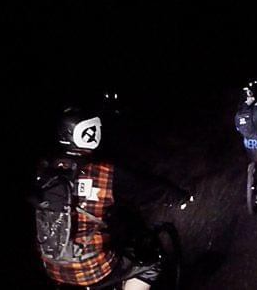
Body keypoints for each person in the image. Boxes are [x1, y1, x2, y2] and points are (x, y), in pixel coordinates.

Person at [32, 107, 192, 290]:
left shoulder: (45, 172)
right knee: (150, 265)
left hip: (52, 268)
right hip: (91, 268)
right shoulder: (103, 172)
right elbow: (148, 188)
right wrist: (179, 197)